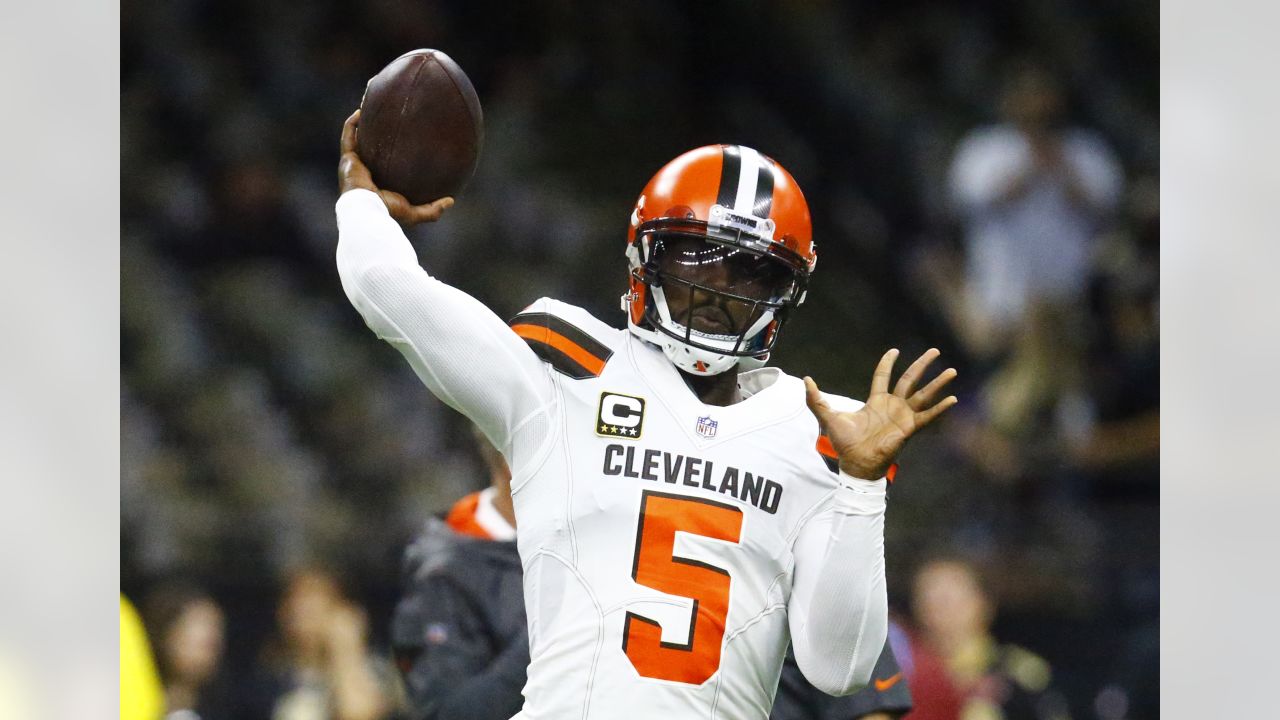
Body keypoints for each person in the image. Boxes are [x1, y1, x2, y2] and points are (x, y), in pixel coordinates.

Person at [336, 110, 957, 719]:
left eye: (750, 271)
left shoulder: (820, 430)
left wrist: (861, 488)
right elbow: (388, 287)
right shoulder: (567, 367)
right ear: (644, 255)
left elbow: (839, 668)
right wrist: (363, 202)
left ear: (784, 293)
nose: (719, 290)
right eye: (696, 257)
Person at [392, 427, 913, 720]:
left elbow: (867, 700)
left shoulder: (745, 509)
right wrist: (569, 620)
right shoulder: (450, 565)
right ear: (517, 460)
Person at [943, 63, 1122, 359]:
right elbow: (968, 199)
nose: (1038, 109)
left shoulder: (1084, 150)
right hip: (1003, 297)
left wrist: (1065, 173)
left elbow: (1107, 206)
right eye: (1029, 98)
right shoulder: (986, 149)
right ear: (1010, 102)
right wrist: (1028, 170)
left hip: (1071, 296)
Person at [390, 428, 527, 720]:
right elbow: (447, 713)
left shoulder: (603, 542)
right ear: (514, 461)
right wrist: (553, 630)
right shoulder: (443, 574)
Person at [911, 556, 1071, 720]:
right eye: (928, 599)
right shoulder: (905, 673)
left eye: (948, 600)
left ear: (982, 603)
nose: (937, 611)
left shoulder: (1018, 674)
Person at [245, 568, 396, 720]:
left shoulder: (373, 669)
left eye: (313, 611)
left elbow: (359, 713)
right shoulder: (270, 677)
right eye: (296, 611)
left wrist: (346, 651)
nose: (301, 623)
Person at [139, 581, 229, 720]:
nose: (212, 636)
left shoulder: (231, 707)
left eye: (216, 626)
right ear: (164, 634)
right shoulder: (132, 701)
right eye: (197, 623)